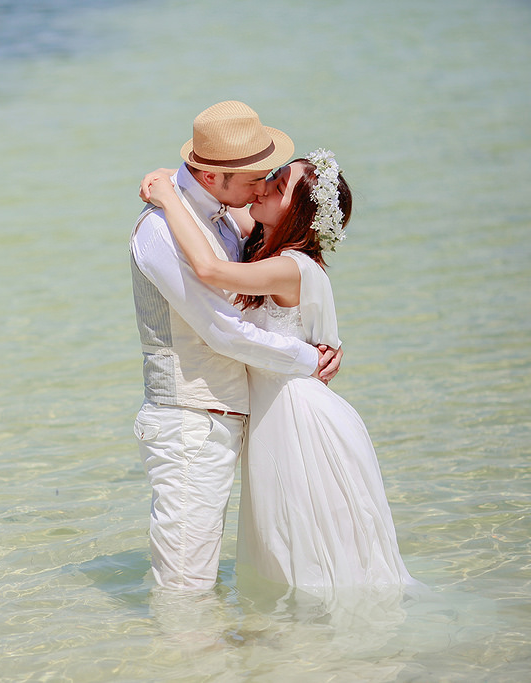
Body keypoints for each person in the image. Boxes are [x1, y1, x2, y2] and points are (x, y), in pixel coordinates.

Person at [141, 149, 419, 595]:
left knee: (308, 545)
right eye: (271, 175)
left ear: (298, 213)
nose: (264, 186)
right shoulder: (262, 238)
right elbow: (217, 195)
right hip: (272, 412)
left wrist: (168, 198)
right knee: (283, 543)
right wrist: (173, 178)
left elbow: (210, 269)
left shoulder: (290, 265)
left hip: (296, 415)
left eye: (278, 184)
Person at [129, 101, 342, 592]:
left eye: (269, 179)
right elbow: (222, 330)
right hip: (190, 422)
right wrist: (309, 359)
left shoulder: (227, 218)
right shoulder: (162, 228)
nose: (262, 187)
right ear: (211, 177)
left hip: (231, 420)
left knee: (244, 569)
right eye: (254, 178)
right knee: (187, 581)